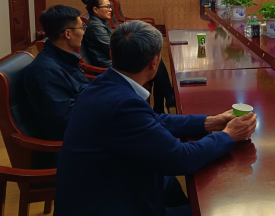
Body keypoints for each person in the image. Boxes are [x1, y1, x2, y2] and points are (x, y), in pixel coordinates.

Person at [55, 21, 258, 216]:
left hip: (107, 186)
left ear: (111, 54)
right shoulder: (123, 105)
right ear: (155, 63)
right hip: (108, 204)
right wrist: (229, 135)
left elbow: (154, 120)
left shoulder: (104, 82)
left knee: (176, 189)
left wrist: (210, 121)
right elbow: (181, 158)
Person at [80, 0, 175, 113]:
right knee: (153, 61)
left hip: (114, 58)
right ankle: (167, 98)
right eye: (107, 7)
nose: (110, 9)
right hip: (108, 64)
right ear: (95, 9)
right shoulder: (95, 26)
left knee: (154, 60)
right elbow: (114, 49)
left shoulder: (100, 21)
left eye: (110, 6)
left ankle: (164, 102)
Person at [24, 5, 89, 167]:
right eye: (81, 27)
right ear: (68, 33)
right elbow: (67, 119)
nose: (83, 32)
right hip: (73, 146)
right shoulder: (48, 70)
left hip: (83, 130)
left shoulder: (62, 59)